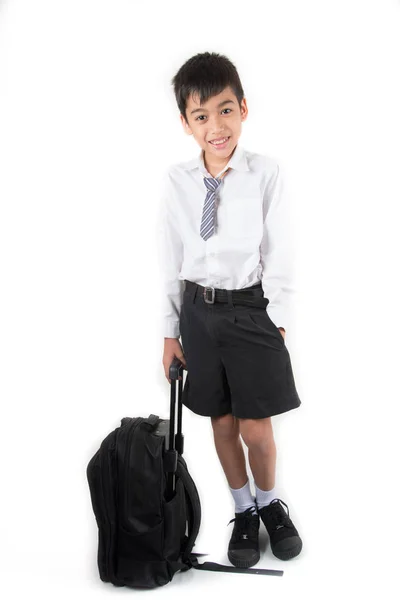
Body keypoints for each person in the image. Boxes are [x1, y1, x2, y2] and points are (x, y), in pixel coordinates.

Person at [157, 51, 303, 568]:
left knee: (256, 426)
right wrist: (170, 331)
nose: (215, 127)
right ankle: (242, 510)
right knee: (221, 423)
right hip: (198, 313)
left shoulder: (265, 174)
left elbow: (280, 251)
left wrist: (277, 321)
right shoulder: (178, 183)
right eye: (201, 116)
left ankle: (270, 503)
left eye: (225, 111)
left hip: (251, 311)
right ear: (186, 123)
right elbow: (170, 259)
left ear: (243, 108)